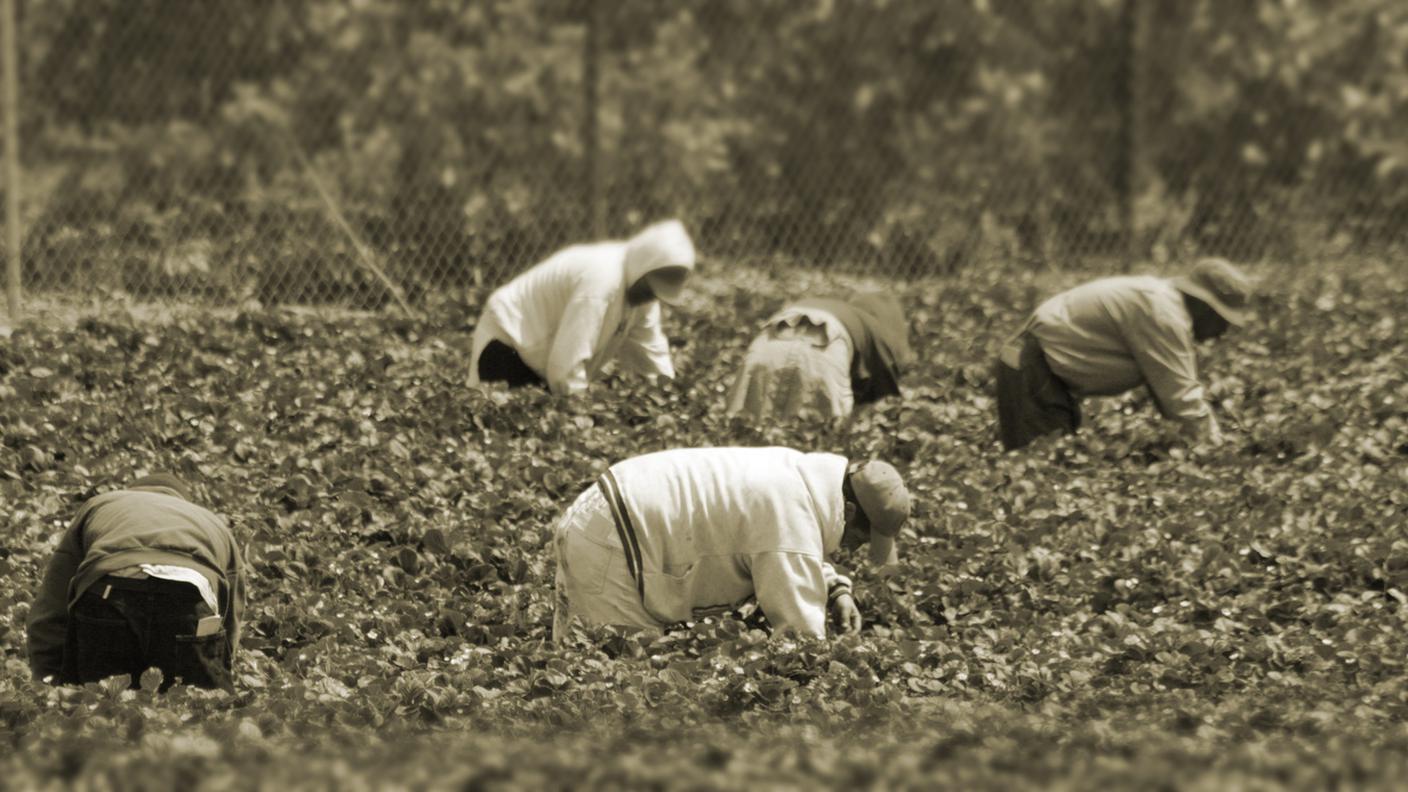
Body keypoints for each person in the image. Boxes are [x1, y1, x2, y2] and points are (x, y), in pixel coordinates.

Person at [551, 446, 910, 641]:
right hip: (617, 537)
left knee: (577, 654)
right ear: (847, 509)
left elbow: (785, 540)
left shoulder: (799, 477)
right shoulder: (790, 515)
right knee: (611, 676)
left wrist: (835, 591)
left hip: (607, 508)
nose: (856, 549)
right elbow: (803, 638)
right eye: (861, 537)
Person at [994, 257, 1255, 450]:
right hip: (1033, 367)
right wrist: (1217, 451)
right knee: (1040, 471)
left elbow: (1169, 395)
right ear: (1203, 306)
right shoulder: (1163, 314)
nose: (1221, 333)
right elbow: (1180, 398)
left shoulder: (1160, 301)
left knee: (1048, 464)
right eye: (1222, 321)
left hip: (1037, 368)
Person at [26, 474, 245, 691]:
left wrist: (49, 683)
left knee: (101, 708)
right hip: (188, 595)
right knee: (191, 712)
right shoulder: (212, 521)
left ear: (132, 491)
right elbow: (230, 622)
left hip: (108, 592)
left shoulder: (102, 504)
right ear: (182, 500)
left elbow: (52, 606)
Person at [468, 219, 696, 395]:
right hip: (508, 344)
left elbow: (650, 350)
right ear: (642, 269)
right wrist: (584, 419)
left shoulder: (641, 292)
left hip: (541, 358)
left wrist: (669, 396)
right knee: (509, 430)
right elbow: (565, 367)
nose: (650, 298)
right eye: (650, 289)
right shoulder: (601, 281)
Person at [727, 291, 914, 421]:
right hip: (825, 346)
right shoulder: (875, 330)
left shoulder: (835, 307)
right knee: (821, 440)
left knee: (746, 430)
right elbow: (885, 402)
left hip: (768, 340)